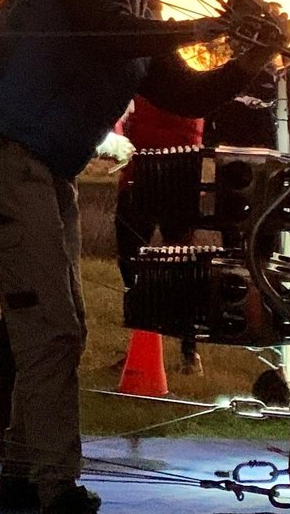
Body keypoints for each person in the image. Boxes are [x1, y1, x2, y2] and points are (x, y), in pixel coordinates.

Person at [0, 0, 288, 514]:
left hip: (48, 170)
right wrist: (216, 26)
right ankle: (55, 490)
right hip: (9, 153)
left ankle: (22, 476)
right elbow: (104, 30)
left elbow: (183, 92)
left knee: (59, 329)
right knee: (52, 329)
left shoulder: (146, 19)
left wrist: (246, 60)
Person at [114, 91, 205, 376]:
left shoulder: (177, 77)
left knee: (172, 264)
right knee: (138, 263)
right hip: (151, 173)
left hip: (165, 174)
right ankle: (153, 348)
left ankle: (185, 351)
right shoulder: (179, 76)